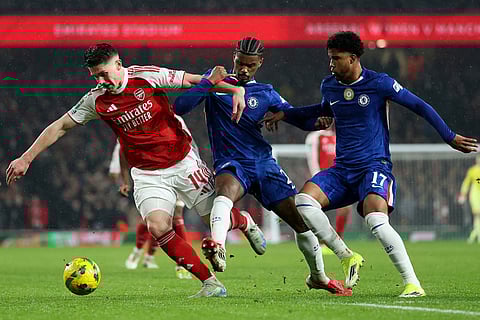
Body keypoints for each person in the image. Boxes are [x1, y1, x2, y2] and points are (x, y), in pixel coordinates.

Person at [5, 43, 260, 298]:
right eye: (95, 76)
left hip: (183, 162)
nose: (101, 80)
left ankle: (244, 221)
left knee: (214, 221)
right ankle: (210, 283)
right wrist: (26, 158)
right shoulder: (96, 100)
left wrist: (234, 88)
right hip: (147, 174)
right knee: (158, 227)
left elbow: (196, 81)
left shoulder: (145, 76)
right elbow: (60, 126)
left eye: (104, 73)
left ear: (119, 64)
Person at [262, 31, 478, 297]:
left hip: (374, 167)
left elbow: (419, 106)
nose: (331, 64)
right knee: (303, 202)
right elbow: (322, 111)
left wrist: (449, 136)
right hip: (343, 170)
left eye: (336, 59)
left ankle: (412, 283)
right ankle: (346, 255)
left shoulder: (380, 83)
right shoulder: (329, 86)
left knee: (376, 219)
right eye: (329, 58)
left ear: (353, 59)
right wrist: (286, 114)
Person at [174, 36, 364, 295]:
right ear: (234, 57)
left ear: (259, 63)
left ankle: (319, 277)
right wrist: (208, 81)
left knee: (301, 223)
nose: (243, 69)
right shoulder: (218, 83)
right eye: (240, 63)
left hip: (264, 165)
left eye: (250, 65)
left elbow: (295, 116)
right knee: (224, 192)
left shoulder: (266, 92)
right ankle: (217, 245)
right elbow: (180, 107)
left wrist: (314, 123)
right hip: (232, 161)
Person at [305, 125, 351, 241]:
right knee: (316, 210)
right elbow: (313, 159)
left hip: (340, 178)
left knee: (345, 208)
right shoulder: (315, 136)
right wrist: (316, 177)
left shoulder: (339, 137)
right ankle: (319, 240)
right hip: (323, 179)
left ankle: (339, 238)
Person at [458, 155, 480, 244]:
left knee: (478, 217)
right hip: (475, 194)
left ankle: (474, 235)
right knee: (478, 214)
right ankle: (476, 236)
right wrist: (462, 194)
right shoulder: (472, 170)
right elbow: (466, 183)